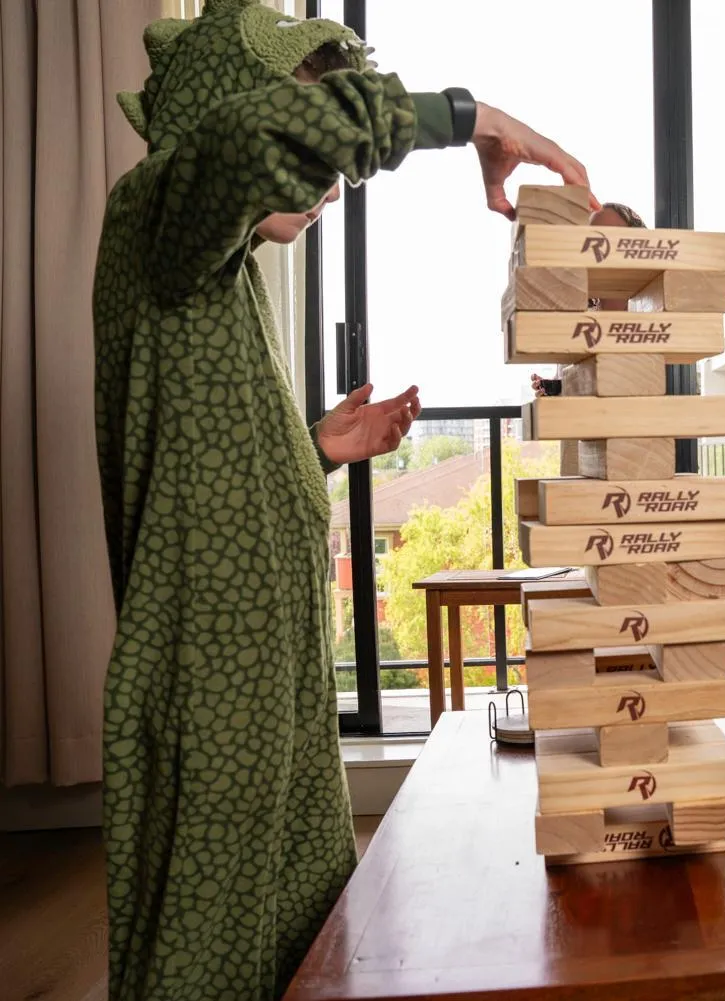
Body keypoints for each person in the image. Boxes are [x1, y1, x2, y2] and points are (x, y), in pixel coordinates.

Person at [93, 2, 594, 999]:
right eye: (306, 119)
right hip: (211, 674)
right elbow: (253, 142)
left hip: (268, 664)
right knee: (207, 937)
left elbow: (201, 466)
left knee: (306, 913)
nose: (325, 180)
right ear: (225, 105)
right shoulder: (157, 209)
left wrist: (315, 444)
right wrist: (474, 117)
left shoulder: (217, 275)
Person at [529, 200, 645, 397]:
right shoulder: (578, 319)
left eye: (609, 237)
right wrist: (556, 390)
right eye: (591, 237)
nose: (598, 245)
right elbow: (576, 385)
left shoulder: (653, 316)